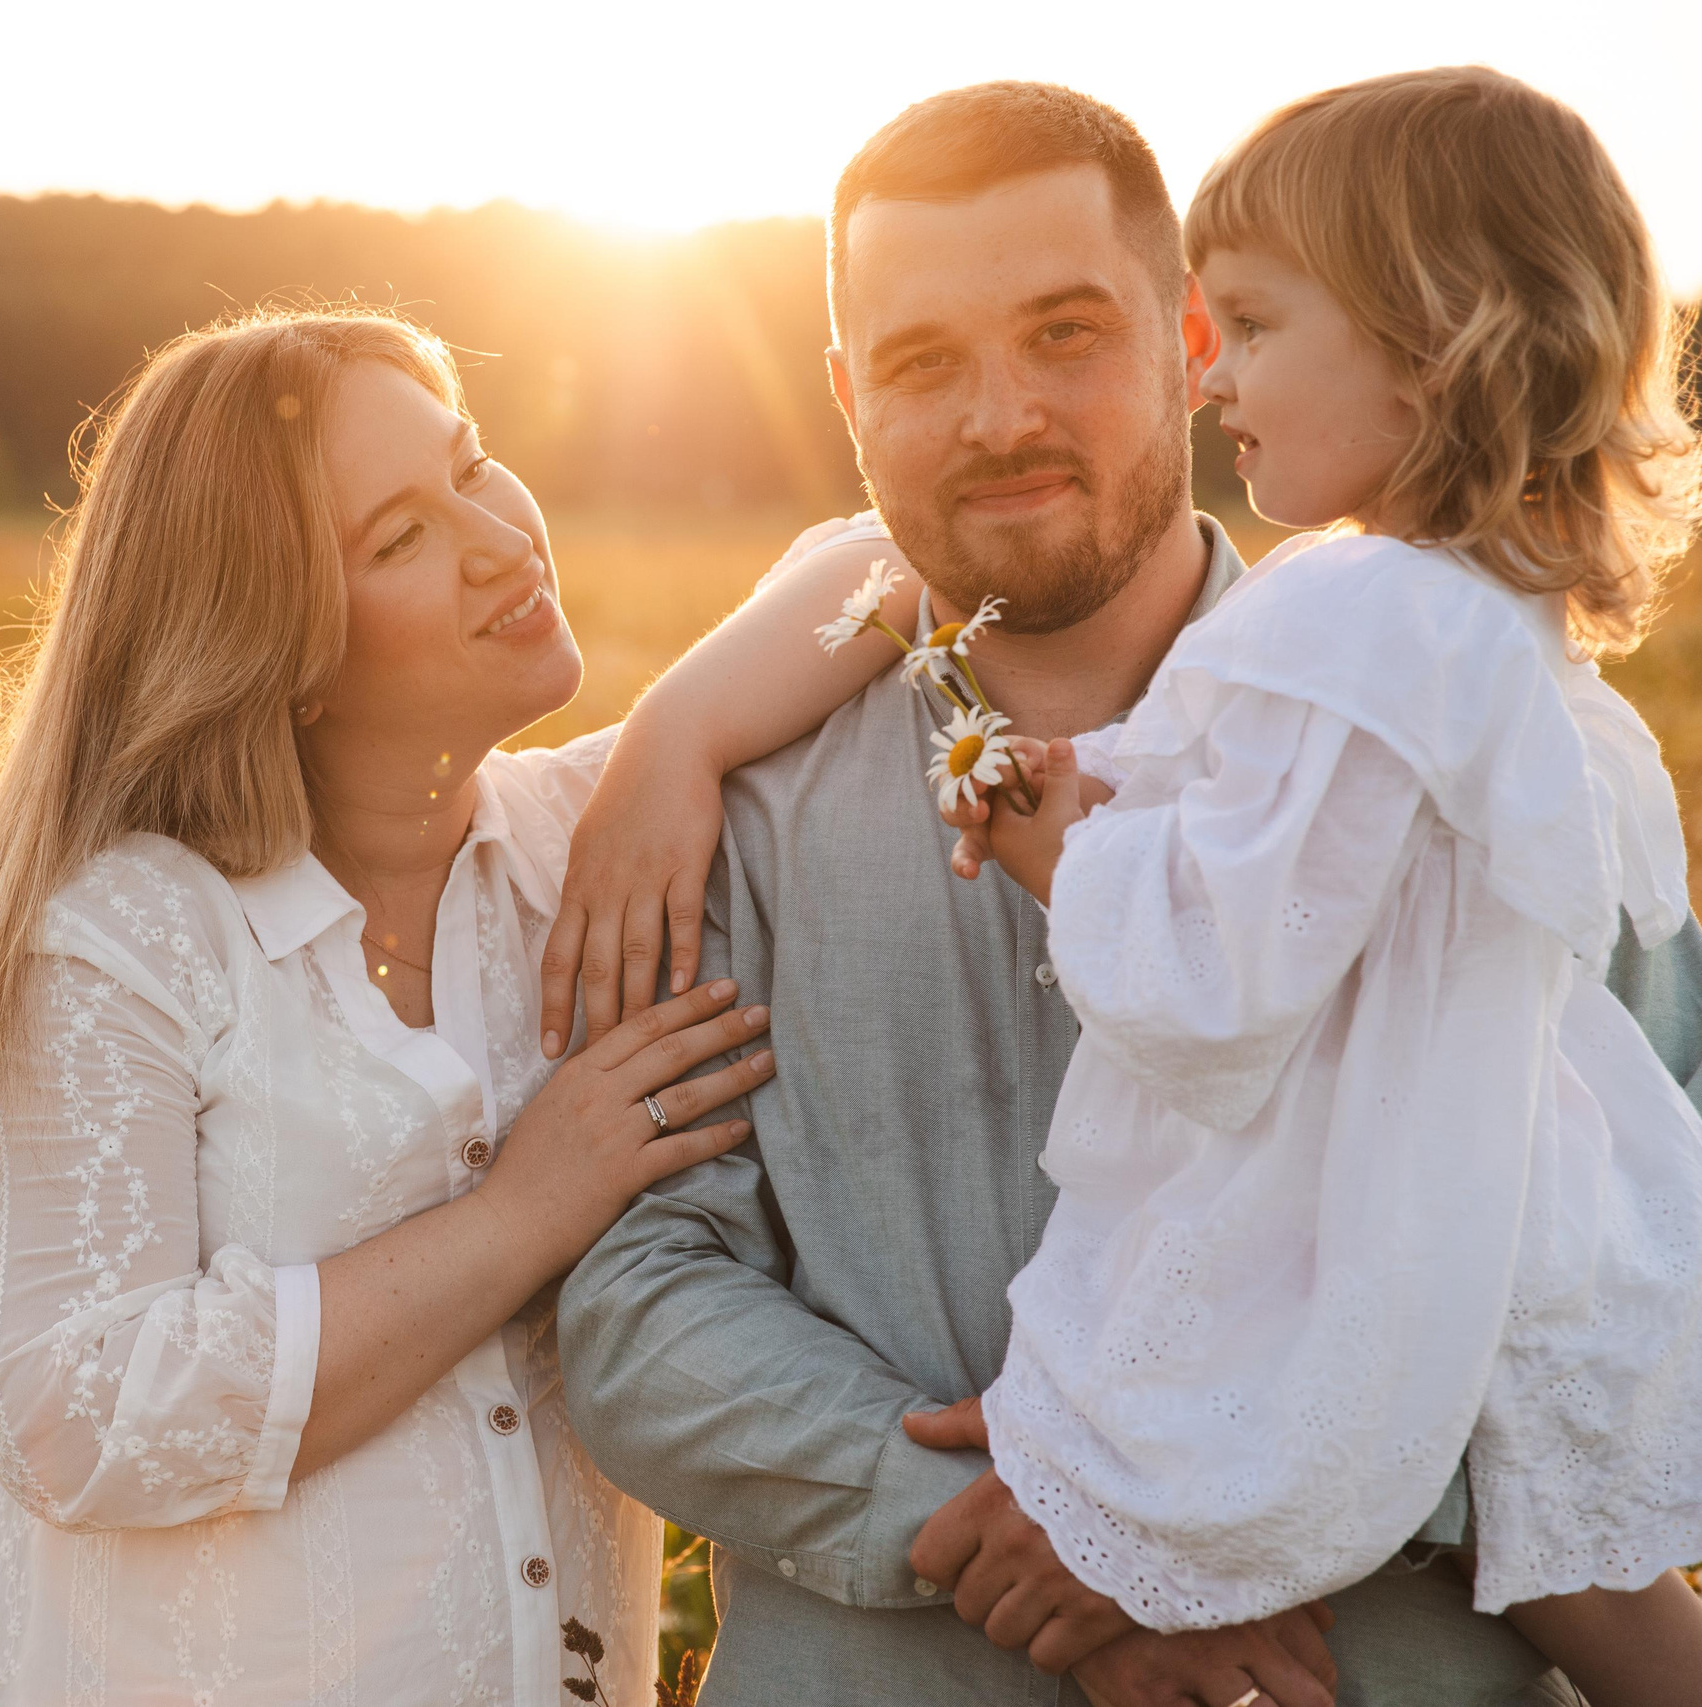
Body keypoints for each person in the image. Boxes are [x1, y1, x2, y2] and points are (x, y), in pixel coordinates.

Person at [548, 81, 1702, 1705]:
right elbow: (635, 1304)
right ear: (844, 392)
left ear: (1192, 338)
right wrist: (1003, 1526)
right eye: (922, 362)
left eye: (1066, 334)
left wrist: (1201, 1519)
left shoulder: (1493, 756)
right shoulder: (710, 830)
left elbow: (1630, 1286)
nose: (1000, 416)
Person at [0, 304, 904, 1705]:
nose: (501, 538)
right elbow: (71, 1414)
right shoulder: (125, 936)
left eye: (470, 463)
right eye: (399, 537)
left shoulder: (589, 842)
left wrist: (676, 736)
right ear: (277, 647)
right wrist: (520, 1214)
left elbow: (883, 558)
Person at [918, 69, 1702, 1705]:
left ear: (1436, 342)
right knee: (1613, 1595)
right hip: (1520, 1185)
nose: (1216, 383)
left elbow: (1220, 979)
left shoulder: (1350, 616)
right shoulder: (1503, 634)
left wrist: (1066, 848)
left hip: (1388, 1187)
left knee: (1144, 1410)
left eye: (1258, 328)